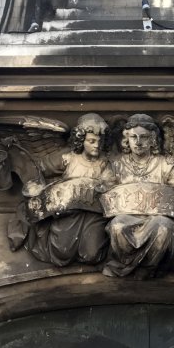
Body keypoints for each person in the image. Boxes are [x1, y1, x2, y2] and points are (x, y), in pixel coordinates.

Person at [103, 114, 174, 278]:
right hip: (127, 214)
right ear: (127, 139)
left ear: (152, 140)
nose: (138, 142)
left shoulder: (165, 163)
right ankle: (125, 264)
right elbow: (105, 185)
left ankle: (150, 267)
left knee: (163, 227)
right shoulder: (117, 164)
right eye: (133, 137)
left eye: (144, 137)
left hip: (156, 215)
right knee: (117, 226)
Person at [25, 113, 114, 267]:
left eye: (100, 142)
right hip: (69, 212)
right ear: (81, 140)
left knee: (91, 254)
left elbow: (110, 184)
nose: (96, 146)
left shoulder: (105, 163)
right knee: (62, 251)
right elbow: (39, 169)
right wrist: (40, 187)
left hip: (94, 214)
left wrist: (102, 187)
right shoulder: (68, 158)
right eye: (91, 141)